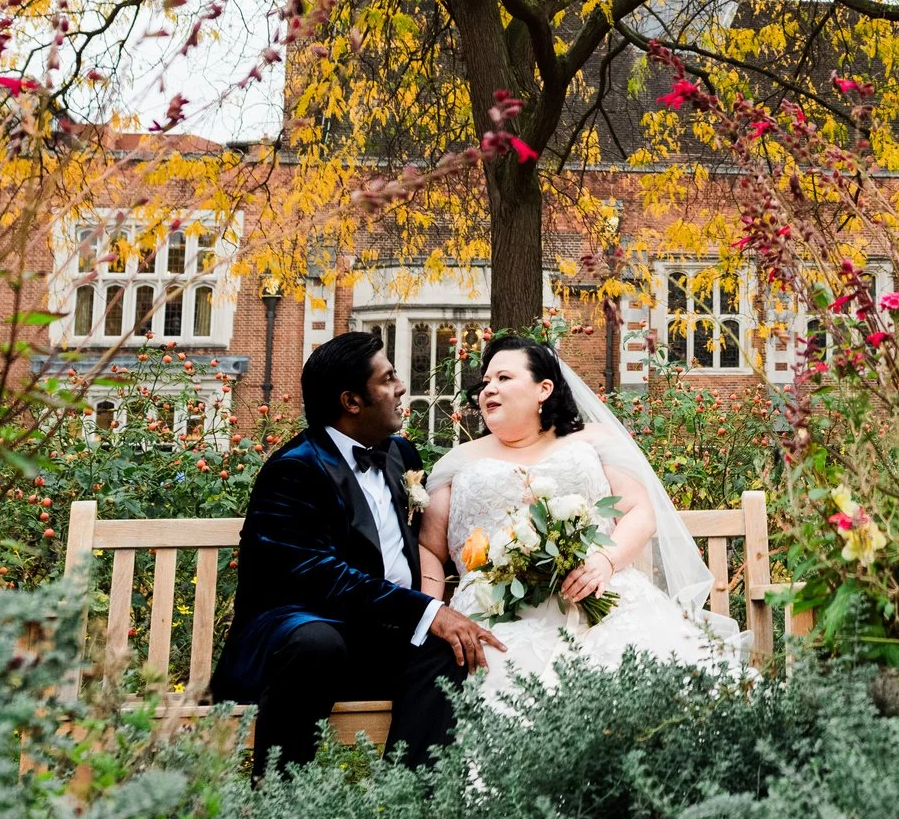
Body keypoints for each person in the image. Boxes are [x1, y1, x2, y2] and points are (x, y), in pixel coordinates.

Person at [209, 330, 506, 777]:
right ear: (351, 402)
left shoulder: (398, 453)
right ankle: (280, 806)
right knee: (319, 644)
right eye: (387, 379)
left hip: (375, 639)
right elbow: (321, 577)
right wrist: (428, 610)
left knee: (448, 649)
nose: (401, 387)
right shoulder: (293, 470)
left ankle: (407, 802)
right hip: (298, 641)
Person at [419, 334, 736, 703]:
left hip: (598, 595)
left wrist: (604, 562)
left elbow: (640, 512)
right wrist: (434, 614)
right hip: (495, 613)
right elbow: (430, 547)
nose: (489, 388)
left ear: (544, 389)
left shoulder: (592, 441)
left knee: (648, 673)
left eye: (504, 378)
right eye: (486, 381)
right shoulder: (459, 462)